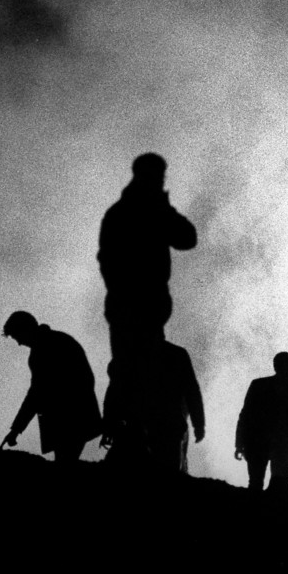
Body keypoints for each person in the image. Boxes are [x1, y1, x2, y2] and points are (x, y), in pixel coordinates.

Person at [97, 153, 197, 437]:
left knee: (130, 372)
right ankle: (132, 438)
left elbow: (187, 239)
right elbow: (187, 238)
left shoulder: (120, 212)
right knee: (138, 373)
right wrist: (164, 209)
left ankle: (130, 437)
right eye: (160, 176)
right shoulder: (146, 212)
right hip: (139, 307)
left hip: (131, 307)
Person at [1, 311, 102, 462]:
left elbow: (35, 394)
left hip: (68, 422)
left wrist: (16, 429)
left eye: (18, 337)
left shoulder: (41, 352)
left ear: (25, 330)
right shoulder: (60, 340)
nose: (19, 343)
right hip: (78, 419)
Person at [104, 335, 205, 473]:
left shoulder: (128, 356)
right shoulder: (177, 355)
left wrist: (109, 425)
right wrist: (198, 424)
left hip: (139, 428)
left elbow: (114, 393)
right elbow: (192, 391)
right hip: (167, 429)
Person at [235, 352, 288, 493]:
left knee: (274, 487)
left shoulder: (261, 385)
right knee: (260, 485)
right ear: (277, 367)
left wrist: (240, 442)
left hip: (273, 444)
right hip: (263, 443)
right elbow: (246, 415)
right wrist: (240, 442)